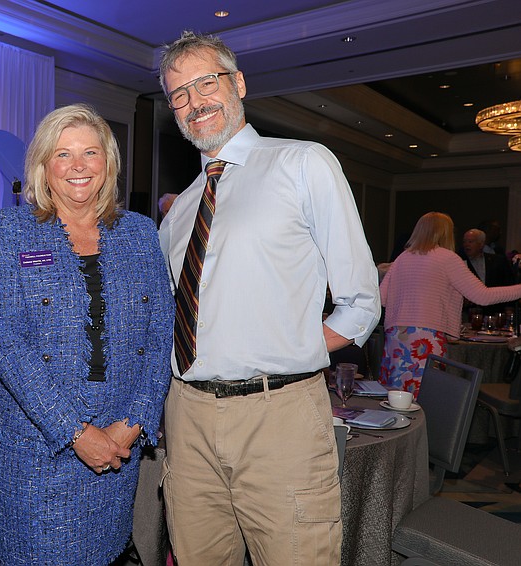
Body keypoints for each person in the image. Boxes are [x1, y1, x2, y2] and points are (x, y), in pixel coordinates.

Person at [157, 31, 380, 565]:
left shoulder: (304, 164)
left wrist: (291, 352)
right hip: (186, 420)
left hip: (279, 416)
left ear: (238, 83)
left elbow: (360, 303)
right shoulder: (180, 210)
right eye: (179, 94)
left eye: (205, 82)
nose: (194, 101)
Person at [0, 103, 173, 565]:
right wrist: (75, 432)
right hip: (34, 454)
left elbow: (162, 331)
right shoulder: (9, 231)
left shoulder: (140, 233)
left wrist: (133, 424)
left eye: (90, 152)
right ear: (43, 166)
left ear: (109, 162)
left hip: (117, 449)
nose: (78, 166)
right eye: (63, 154)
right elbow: (4, 340)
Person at [380, 212, 521, 398]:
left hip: (395, 336)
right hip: (425, 337)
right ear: (445, 233)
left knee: (395, 396)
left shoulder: (403, 258)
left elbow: (381, 298)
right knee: (423, 397)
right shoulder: (447, 258)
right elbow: (483, 296)